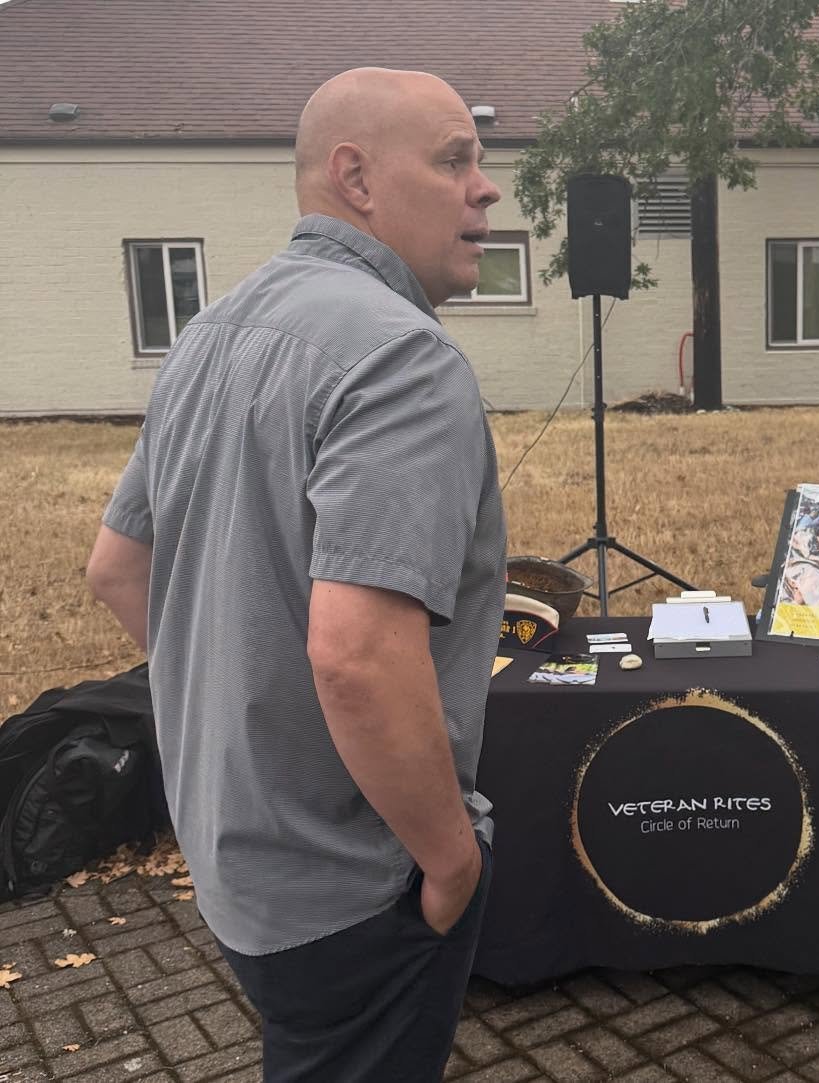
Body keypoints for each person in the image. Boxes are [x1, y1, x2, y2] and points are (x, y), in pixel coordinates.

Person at [84, 67, 507, 1080]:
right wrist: (450, 861)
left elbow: (119, 569)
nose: (486, 186)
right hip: (353, 882)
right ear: (355, 178)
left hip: (238, 864)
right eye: (455, 159)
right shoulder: (404, 361)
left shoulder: (208, 334)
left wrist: (255, 707)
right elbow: (357, 658)